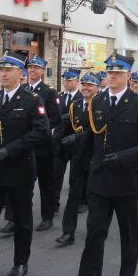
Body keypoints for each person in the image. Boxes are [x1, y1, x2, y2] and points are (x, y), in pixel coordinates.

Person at [76, 54, 138, 276]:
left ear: (128, 76)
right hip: (100, 181)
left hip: (127, 183)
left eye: (117, 73)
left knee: (129, 238)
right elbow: (89, 138)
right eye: (109, 72)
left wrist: (124, 157)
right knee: (94, 236)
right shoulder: (97, 101)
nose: (111, 76)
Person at [0, 51, 50, 276]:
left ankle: (20, 262)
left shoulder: (32, 100)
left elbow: (41, 131)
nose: (3, 74)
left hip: (20, 169)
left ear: (20, 74)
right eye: (1, 70)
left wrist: (11, 149)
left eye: (8, 70)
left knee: (22, 221)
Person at [54, 72, 99, 247]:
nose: (86, 88)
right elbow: (70, 127)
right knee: (73, 195)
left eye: (91, 85)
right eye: (84, 85)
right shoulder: (76, 105)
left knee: (95, 198)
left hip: (96, 157)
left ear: (96, 88)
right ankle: (68, 232)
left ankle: (94, 233)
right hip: (79, 157)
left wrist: (77, 138)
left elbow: (95, 131)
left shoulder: (102, 105)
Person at [24, 56, 61, 233]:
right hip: (24, 145)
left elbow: (55, 117)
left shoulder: (48, 92)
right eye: (30, 67)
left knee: (46, 183)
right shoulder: (22, 89)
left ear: (42, 71)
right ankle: (16, 217)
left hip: (43, 145)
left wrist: (41, 130)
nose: (32, 70)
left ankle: (47, 217)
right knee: (23, 183)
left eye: (36, 68)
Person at [53, 68, 82, 220]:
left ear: (77, 81)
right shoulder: (59, 96)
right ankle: (54, 204)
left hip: (75, 141)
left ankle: (77, 203)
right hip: (59, 142)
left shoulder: (81, 97)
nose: (66, 83)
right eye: (65, 80)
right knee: (56, 175)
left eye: (70, 80)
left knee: (75, 177)